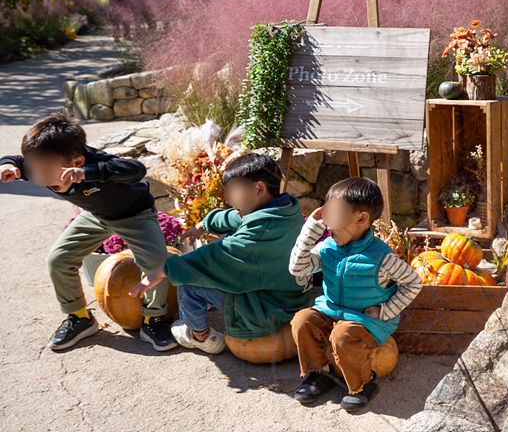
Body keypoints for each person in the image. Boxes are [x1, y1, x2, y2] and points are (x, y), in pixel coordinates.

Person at [0, 113, 176, 351]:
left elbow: (136, 169)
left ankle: (152, 319)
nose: (43, 179)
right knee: (58, 260)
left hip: (134, 214)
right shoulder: (40, 164)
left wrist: (89, 173)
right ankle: (80, 318)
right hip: (96, 216)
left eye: (48, 172)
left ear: (78, 162)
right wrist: (7, 164)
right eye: (35, 171)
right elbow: (19, 161)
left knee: (156, 262)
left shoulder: (94, 162)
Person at [130, 153, 311, 354]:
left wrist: (161, 271)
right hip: (289, 295)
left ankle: (201, 336)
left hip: (268, 310)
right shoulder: (285, 211)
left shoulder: (255, 236)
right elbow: (235, 218)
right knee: (227, 236)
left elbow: (212, 257)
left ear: (259, 188)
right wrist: (203, 225)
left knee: (189, 282)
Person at [288, 177, 423, 412]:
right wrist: (311, 228)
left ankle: (363, 385)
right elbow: (297, 268)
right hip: (332, 310)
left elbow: (413, 283)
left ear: (361, 219)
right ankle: (320, 372)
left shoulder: (382, 257)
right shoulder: (327, 247)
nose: (328, 219)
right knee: (302, 321)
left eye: (336, 213)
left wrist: (385, 311)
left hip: (366, 320)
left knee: (342, 335)